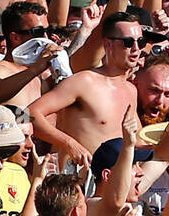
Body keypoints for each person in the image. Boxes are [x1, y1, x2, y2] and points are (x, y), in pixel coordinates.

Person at [29, 11, 139, 167]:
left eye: (140, 41)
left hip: (116, 181)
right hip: (79, 179)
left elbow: (139, 139)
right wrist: (68, 143)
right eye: (127, 42)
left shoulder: (131, 90)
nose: (135, 48)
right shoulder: (84, 81)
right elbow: (29, 114)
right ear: (108, 44)